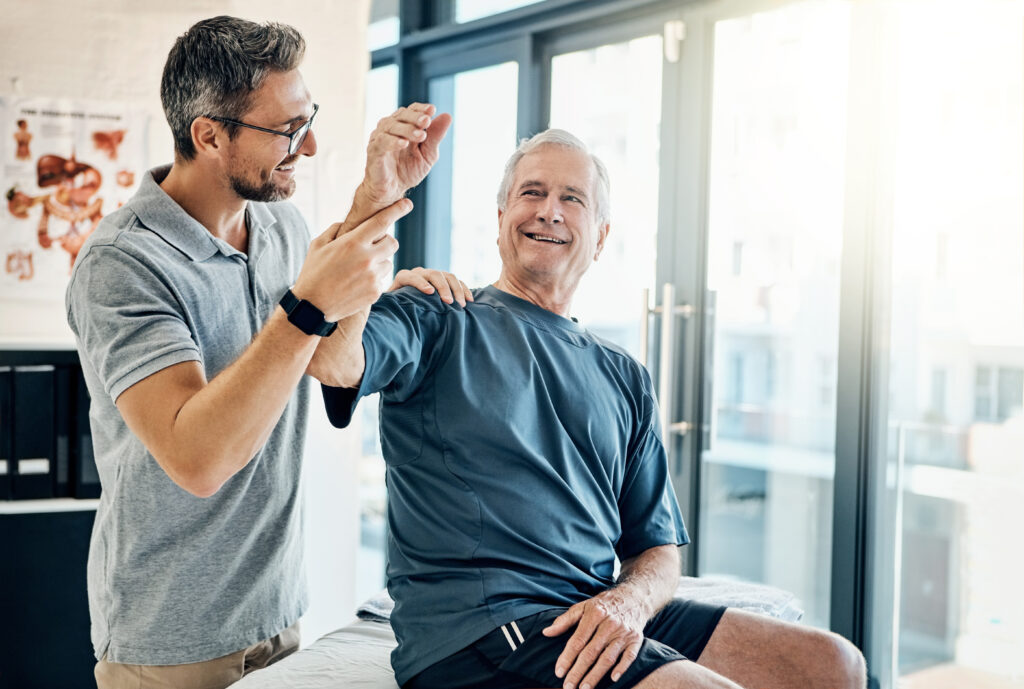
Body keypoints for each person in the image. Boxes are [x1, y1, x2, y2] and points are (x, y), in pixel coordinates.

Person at [312, 127, 868, 689]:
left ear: (600, 237)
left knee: (832, 663)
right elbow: (333, 359)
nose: (549, 211)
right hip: (480, 631)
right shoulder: (436, 314)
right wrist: (375, 198)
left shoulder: (624, 374)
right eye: (531, 193)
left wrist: (627, 603)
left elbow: (657, 551)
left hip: (594, 609)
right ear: (502, 214)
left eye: (571, 199)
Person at [66, 16, 464, 689]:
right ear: (209, 135)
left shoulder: (281, 224)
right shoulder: (122, 264)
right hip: (169, 638)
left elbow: (332, 359)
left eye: (308, 121)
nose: (306, 149)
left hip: (276, 611)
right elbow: (198, 458)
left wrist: (376, 196)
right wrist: (308, 303)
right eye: (286, 131)